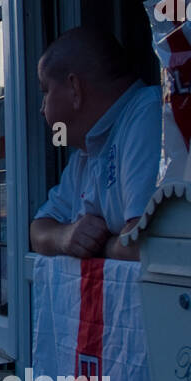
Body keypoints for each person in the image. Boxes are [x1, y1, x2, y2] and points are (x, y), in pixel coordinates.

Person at [28, 27, 160, 261]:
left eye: (45, 91)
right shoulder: (85, 152)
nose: (42, 109)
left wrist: (96, 248)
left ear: (74, 89)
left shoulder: (148, 113)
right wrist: (65, 236)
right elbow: (38, 229)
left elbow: (145, 243)